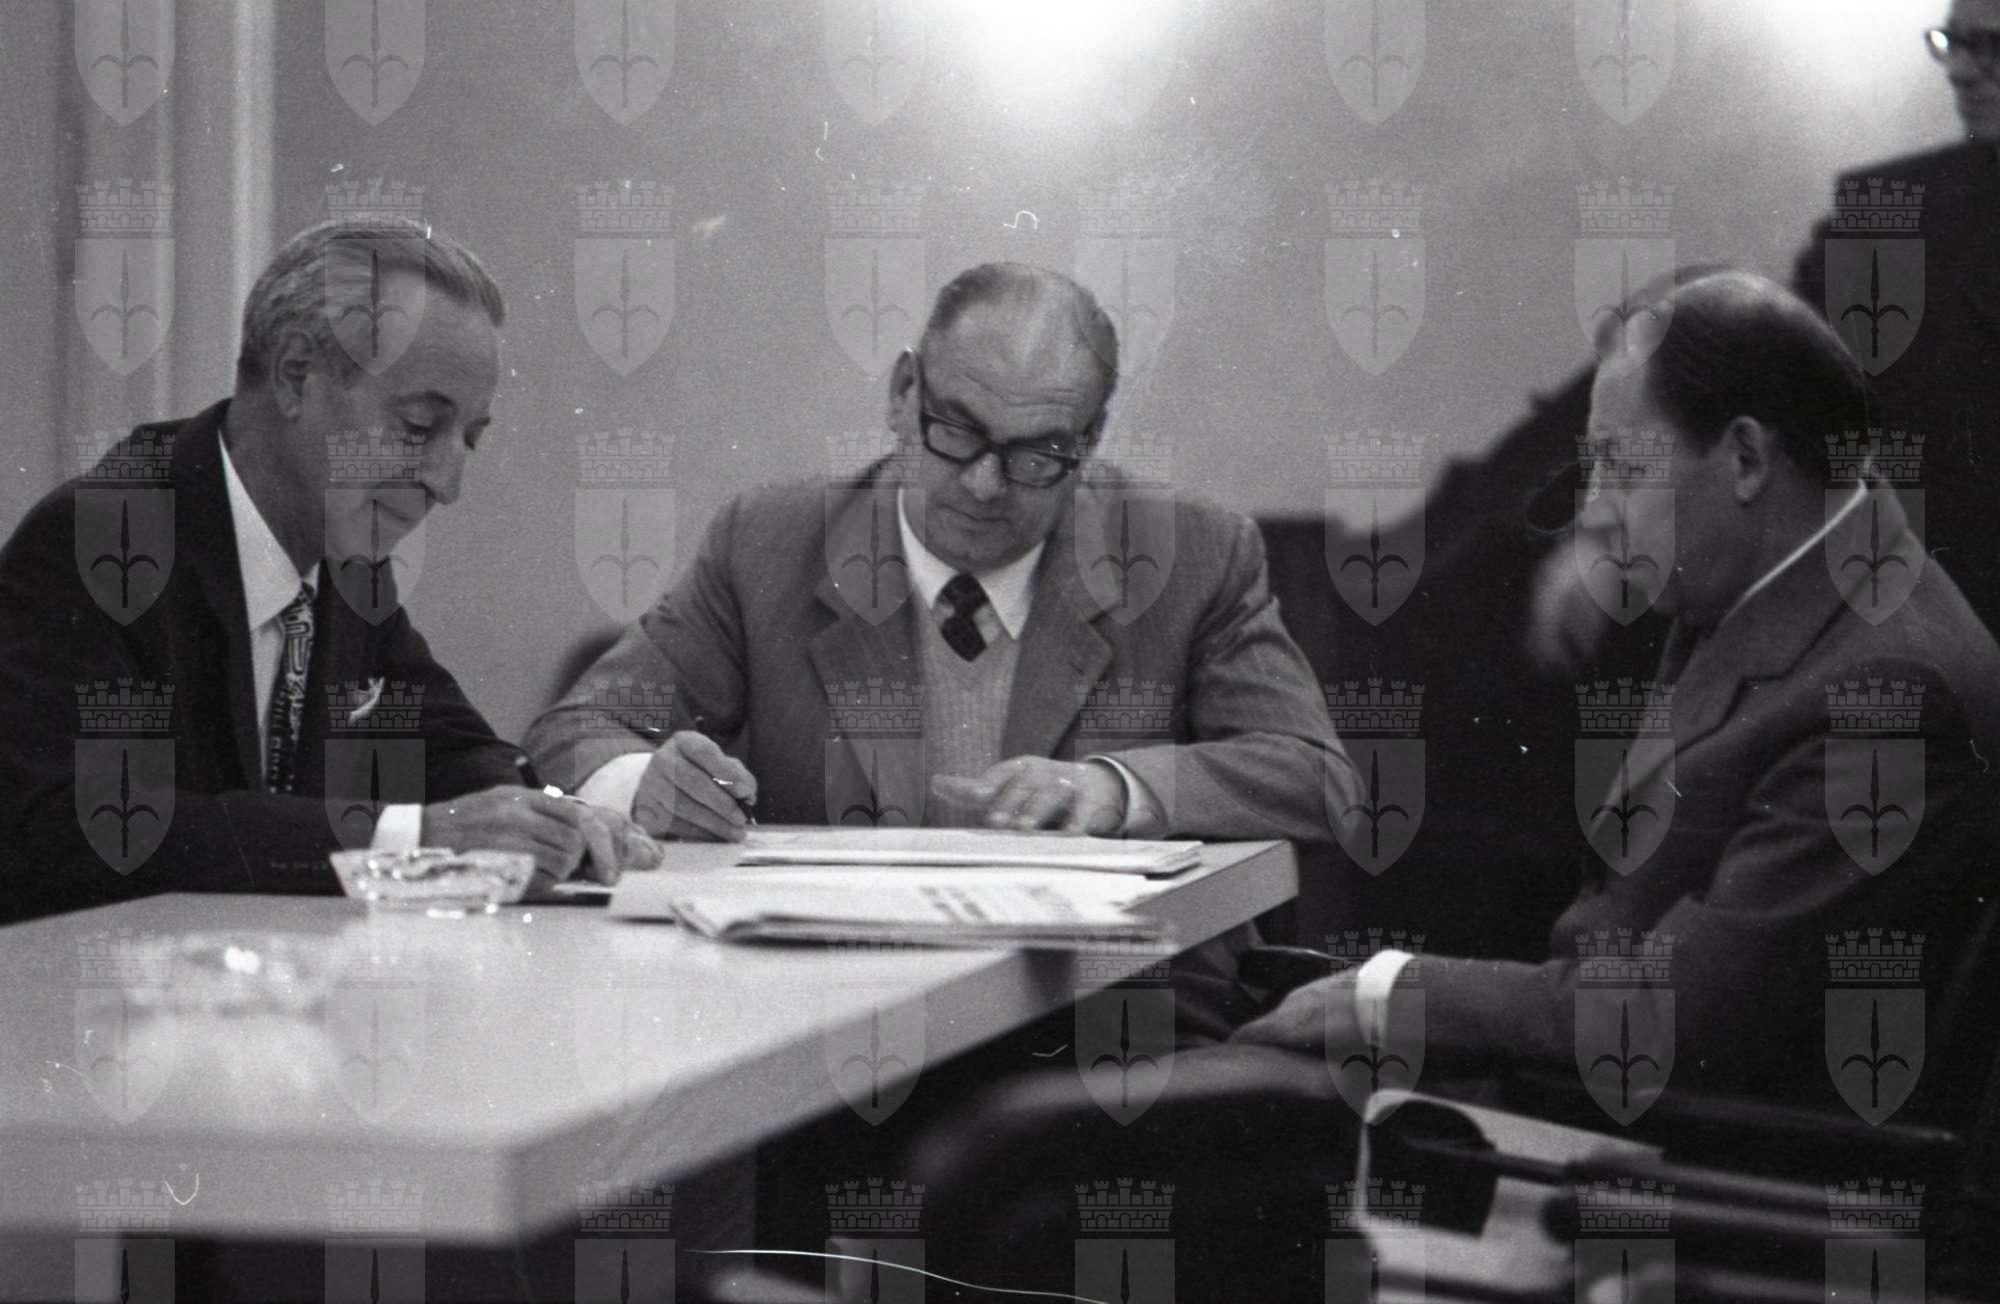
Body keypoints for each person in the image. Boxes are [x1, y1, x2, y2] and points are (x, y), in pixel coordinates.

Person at [909, 272, 2000, 1294]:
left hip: (1682, 1205)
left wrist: (1384, 996)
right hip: (1609, 1139)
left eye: (1621, 468)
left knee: (1067, 1191)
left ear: (1748, 457)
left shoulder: (1884, 688)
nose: (1596, 512)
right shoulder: (1795, 588)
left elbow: (1673, 1026)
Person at [527, 262, 1354, 846]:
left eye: (1037, 455)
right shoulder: (768, 543)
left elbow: (1318, 780)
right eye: (956, 431)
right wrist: (643, 783)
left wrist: (1115, 789)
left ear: (1091, 440)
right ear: (902, 394)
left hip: (1100, 1008)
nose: (985, 485)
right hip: (843, 997)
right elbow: (579, 727)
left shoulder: (1189, 554)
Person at [0, 217, 654, 922]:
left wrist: (549, 819)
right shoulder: (103, 540)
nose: (446, 483)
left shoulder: (346, 563)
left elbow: (448, 748)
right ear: (295, 375)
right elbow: (70, 828)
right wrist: (411, 839)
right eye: (418, 426)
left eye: (468, 438)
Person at [1790, 0, 2000, 629]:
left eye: (1992, 46)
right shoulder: (1886, 221)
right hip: (1929, 631)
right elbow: (1750, 356)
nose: (1959, 71)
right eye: (1952, 43)